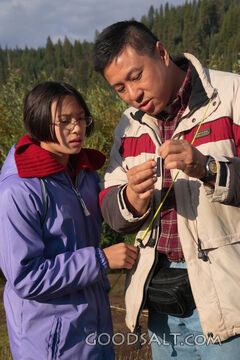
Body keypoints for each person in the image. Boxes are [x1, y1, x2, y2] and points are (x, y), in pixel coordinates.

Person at [93, 20, 240, 360]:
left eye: (136, 76)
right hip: (161, 298)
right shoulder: (128, 126)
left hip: (228, 296)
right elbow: (111, 210)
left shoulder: (230, 96)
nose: (133, 94)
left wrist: (209, 169)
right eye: (119, 88)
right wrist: (132, 198)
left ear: (160, 53)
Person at [0, 81, 138, 360]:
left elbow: (110, 213)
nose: (77, 128)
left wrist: (135, 194)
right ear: (38, 121)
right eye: (64, 122)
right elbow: (25, 276)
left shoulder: (83, 172)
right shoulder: (19, 189)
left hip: (92, 328)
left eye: (81, 119)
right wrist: (100, 259)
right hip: (49, 340)